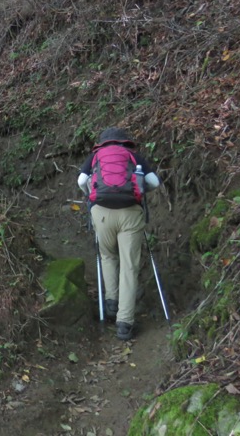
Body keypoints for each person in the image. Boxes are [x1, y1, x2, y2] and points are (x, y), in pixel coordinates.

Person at [77, 127, 161, 341]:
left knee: (107, 256)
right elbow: (154, 183)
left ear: (103, 143)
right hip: (130, 213)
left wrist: (91, 196)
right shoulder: (134, 157)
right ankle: (125, 323)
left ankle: (111, 302)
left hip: (101, 212)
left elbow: (80, 181)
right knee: (129, 266)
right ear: (125, 142)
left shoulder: (95, 157)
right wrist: (140, 192)